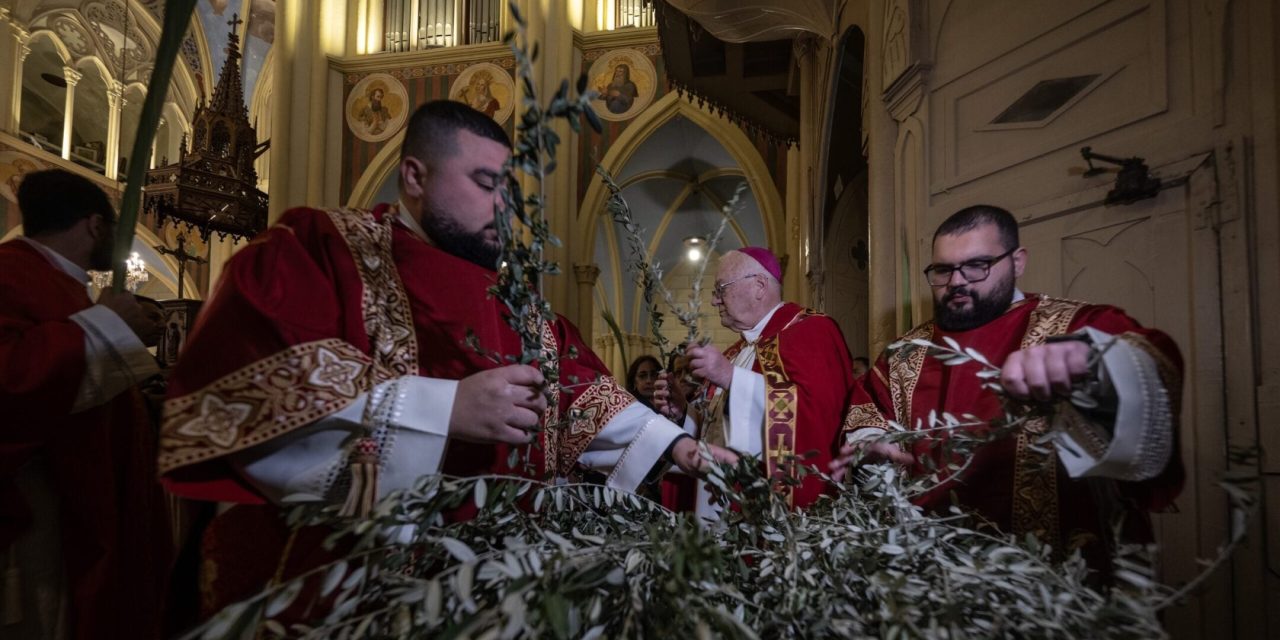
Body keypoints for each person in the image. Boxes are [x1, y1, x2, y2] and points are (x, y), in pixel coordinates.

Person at [158, 100, 733, 614]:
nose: (504, 207)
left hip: (487, 593)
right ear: (415, 175)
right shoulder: (321, 249)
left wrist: (675, 445)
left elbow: (576, 387)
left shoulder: (517, 304)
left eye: (510, 191)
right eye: (485, 183)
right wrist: (443, 408)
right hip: (342, 593)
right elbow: (261, 390)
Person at [832, 205, 1184, 572]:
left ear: (1017, 262)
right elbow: (867, 409)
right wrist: (870, 447)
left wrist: (1094, 365)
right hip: (935, 567)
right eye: (943, 270)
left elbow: (1152, 371)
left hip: (1056, 573)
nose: (957, 282)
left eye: (977, 265)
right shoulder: (906, 352)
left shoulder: (1075, 327)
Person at [0, 169, 171, 639]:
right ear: (96, 226)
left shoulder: (58, 282)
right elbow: (12, 379)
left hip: (77, 498)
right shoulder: (12, 273)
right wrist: (108, 326)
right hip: (40, 510)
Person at [654, 247, 855, 514]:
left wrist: (730, 377)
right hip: (717, 504)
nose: (714, 301)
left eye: (720, 289)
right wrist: (684, 413)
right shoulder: (735, 352)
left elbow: (819, 418)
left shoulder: (813, 331)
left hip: (773, 511)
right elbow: (718, 431)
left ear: (759, 286)